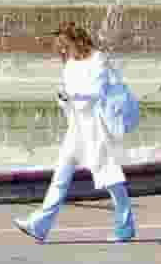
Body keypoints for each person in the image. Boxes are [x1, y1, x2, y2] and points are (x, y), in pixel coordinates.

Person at [15, 22, 135, 244]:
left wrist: (71, 95)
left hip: (96, 126)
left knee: (109, 177)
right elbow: (70, 99)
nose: (62, 50)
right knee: (60, 174)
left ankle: (125, 225)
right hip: (77, 126)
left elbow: (97, 91)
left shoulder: (98, 59)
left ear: (76, 40)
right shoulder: (69, 64)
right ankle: (40, 224)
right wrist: (62, 100)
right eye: (60, 46)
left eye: (64, 44)